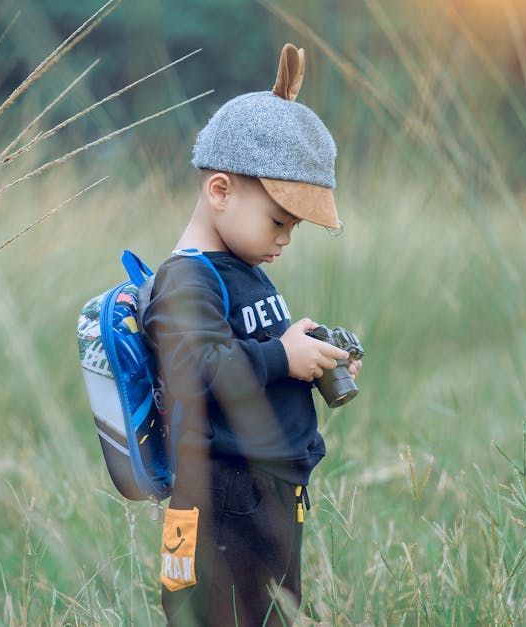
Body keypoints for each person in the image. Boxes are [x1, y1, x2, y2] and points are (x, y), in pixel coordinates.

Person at [141, 43, 362, 626]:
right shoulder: (186, 278)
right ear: (220, 191)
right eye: (278, 221)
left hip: (265, 495)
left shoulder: (244, 271)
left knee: (272, 617)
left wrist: (306, 357)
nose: (285, 239)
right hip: (218, 501)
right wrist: (280, 356)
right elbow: (202, 369)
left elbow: (251, 357)